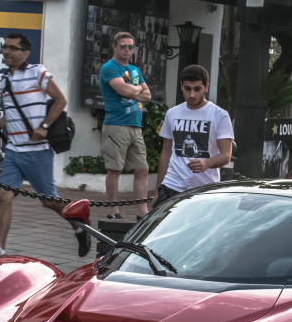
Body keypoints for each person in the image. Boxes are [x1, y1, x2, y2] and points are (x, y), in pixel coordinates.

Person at [0, 32, 90, 262]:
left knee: (49, 201)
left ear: (25, 53)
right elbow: (11, 117)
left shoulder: (37, 72)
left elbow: (60, 100)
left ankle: (80, 225)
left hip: (38, 151)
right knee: (2, 196)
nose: (7, 51)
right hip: (14, 151)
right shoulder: (5, 80)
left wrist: (44, 126)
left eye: (13, 48)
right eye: (5, 47)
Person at [155, 64, 234, 206]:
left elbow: (226, 155)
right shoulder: (172, 113)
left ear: (206, 87)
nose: (192, 95)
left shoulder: (220, 115)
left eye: (197, 89)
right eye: (187, 89)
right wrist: (158, 189)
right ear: (181, 86)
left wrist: (207, 163)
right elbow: (166, 152)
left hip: (204, 189)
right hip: (171, 186)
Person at [99, 31, 151, 219]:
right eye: (123, 46)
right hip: (116, 125)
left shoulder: (135, 70)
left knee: (142, 169)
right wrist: (135, 90)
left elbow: (148, 95)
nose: (127, 49)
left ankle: (142, 212)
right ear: (114, 47)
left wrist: (132, 91)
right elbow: (123, 89)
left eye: (130, 46)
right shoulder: (109, 68)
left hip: (135, 125)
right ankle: (113, 210)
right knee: (115, 169)